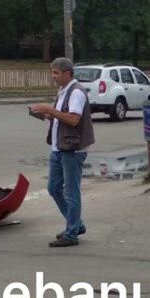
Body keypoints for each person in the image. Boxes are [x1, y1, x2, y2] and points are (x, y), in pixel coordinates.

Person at [29, 56, 93, 247]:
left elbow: (73, 120)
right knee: (53, 188)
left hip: (72, 149)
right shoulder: (63, 90)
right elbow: (63, 118)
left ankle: (72, 233)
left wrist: (51, 109)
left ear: (67, 73)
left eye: (56, 73)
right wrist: (47, 115)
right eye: (52, 72)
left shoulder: (76, 92)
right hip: (60, 147)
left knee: (71, 191)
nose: (53, 76)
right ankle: (76, 224)